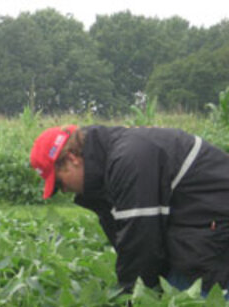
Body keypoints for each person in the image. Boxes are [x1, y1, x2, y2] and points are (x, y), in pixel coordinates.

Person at [30, 124, 229, 294]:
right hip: (196, 222)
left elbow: (142, 240)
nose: (64, 190)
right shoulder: (106, 166)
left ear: (72, 158)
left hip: (215, 220)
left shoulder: (128, 159)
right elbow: (129, 241)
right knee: (172, 294)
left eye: (59, 182)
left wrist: (132, 305)